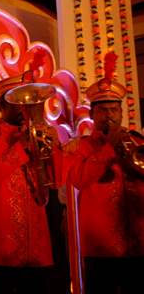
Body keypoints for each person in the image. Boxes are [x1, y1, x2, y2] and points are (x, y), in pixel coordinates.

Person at [0, 75, 69, 294]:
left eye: (30, 103)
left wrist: (54, 147)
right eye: (19, 102)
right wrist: (20, 148)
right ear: (3, 105)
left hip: (37, 250)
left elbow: (57, 180)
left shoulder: (40, 135)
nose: (27, 108)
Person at [66, 61, 144, 294]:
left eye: (113, 110)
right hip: (101, 248)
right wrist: (108, 148)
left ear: (121, 113)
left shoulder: (138, 142)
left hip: (139, 244)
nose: (108, 116)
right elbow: (79, 179)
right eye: (102, 110)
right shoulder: (80, 147)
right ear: (92, 114)